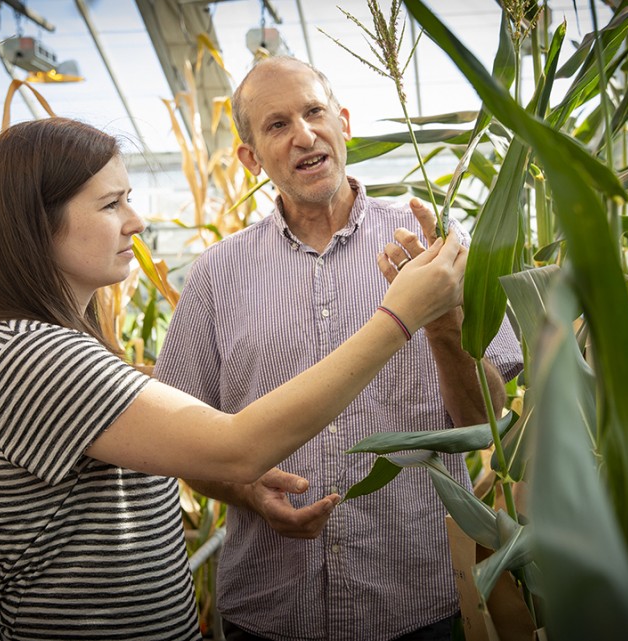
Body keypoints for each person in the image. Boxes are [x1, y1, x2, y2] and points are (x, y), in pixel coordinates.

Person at [0, 117, 469, 641]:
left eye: (128, 198)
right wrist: (399, 317)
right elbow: (237, 447)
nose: (136, 221)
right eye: (111, 205)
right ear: (36, 223)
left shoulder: (44, 348)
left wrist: (245, 486)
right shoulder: (31, 356)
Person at [154, 57, 523, 641]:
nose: (303, 134)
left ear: (343, 123)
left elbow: (485, 421)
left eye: (314, 111)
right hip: (270, 612)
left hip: (413, 606)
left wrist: (444, 323)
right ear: (251, 158)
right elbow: (184, 444)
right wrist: (247, 490)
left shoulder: (433, 246)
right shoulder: (216, 276)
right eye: (276, 125)